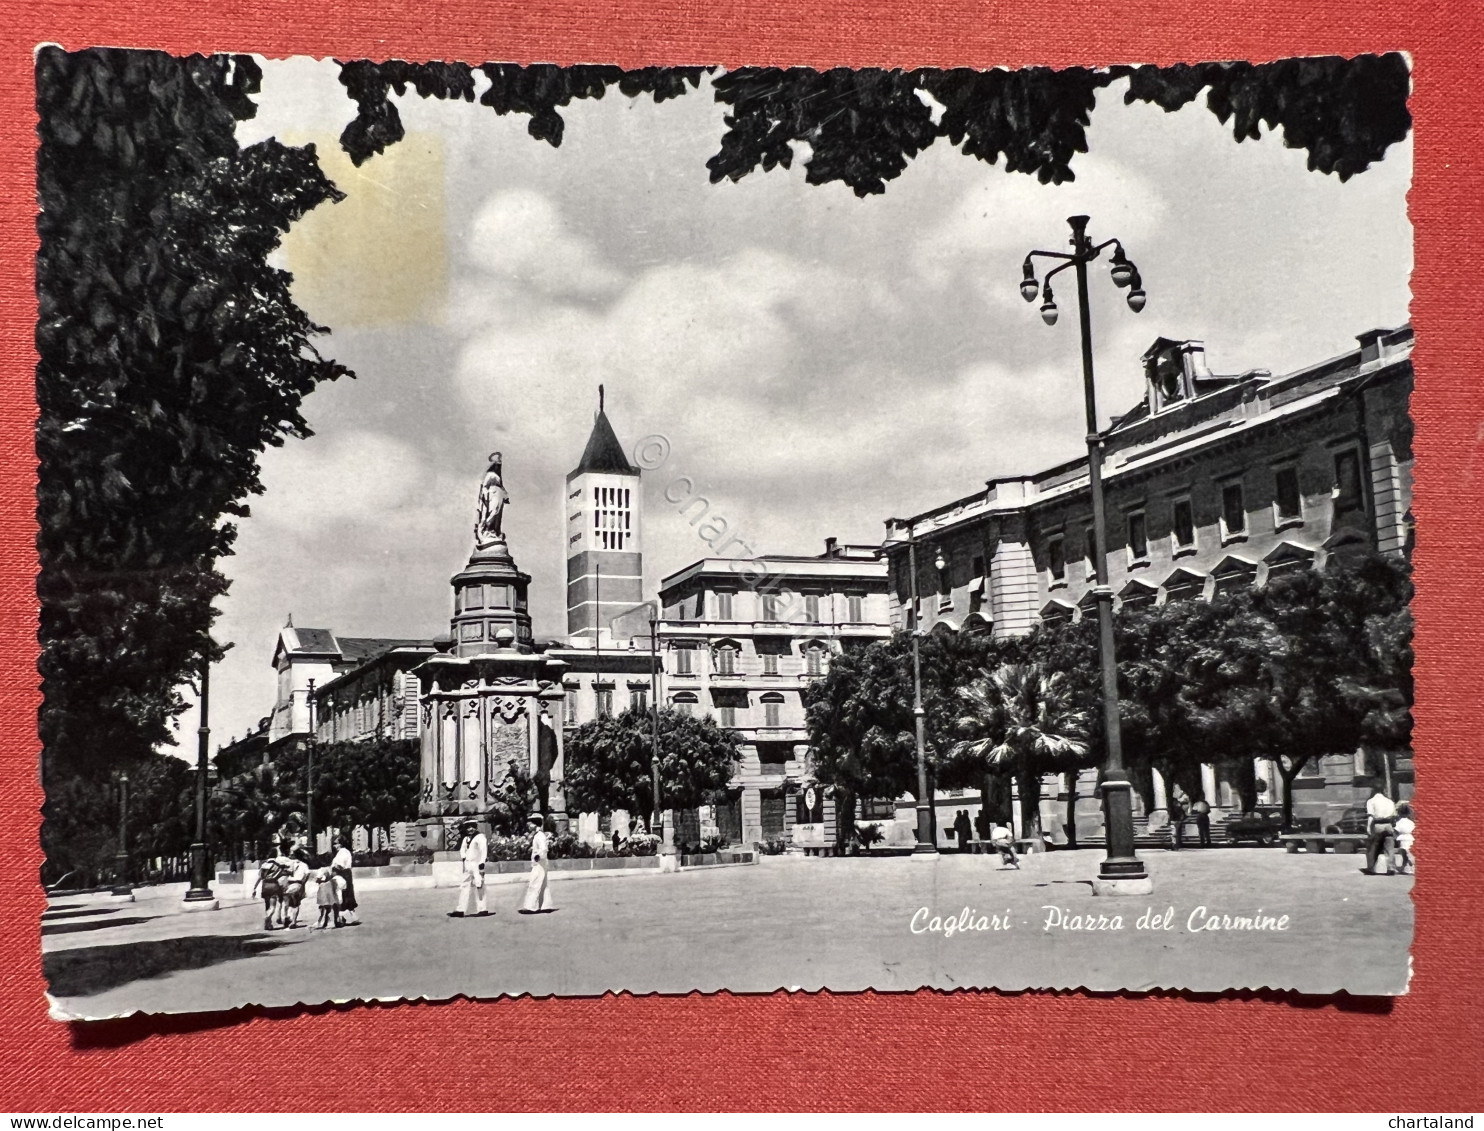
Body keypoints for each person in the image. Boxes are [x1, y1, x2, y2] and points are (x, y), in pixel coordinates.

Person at [450, 819, 490, 918]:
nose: (470, 829)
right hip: (468, 864)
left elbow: (483, 851)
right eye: (468, 827)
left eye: (472, 827)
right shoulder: (466, 838)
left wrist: (481, 864)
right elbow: (462, 849)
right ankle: (461, 909)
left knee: (479, 885)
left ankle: (482, 909)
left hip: (477, 864)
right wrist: (464, 857)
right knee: (464, 885)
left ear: (476, 827)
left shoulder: (480, 837)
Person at [519, 813, 554, 913]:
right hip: (540, 863)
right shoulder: (538, 835)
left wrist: (538, 856)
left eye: (531, 823)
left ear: (536, 823)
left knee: (534, 883)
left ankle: (531, 907)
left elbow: (544, 849)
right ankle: (546, 905)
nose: (529, 825)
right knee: (542, 884)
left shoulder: (540, 836)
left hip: (539, 863)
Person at [1365, 787, 1399, 874]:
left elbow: (1371, 816)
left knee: (1373, 847)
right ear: (1383, 791)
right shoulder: (1389, 801)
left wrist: (1368, 828)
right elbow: (1394, 815)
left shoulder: (1371, 801)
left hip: (1377, 825)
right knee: (1389, 848)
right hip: (1388, 825)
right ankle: (1391, 867)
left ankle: (1371, 868)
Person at [252, 850, 288, 930]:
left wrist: (254, 888)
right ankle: (267, 918)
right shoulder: (278, 865)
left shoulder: (263, 865)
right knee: (272, 907)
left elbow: (259, 877)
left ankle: (268, 924)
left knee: (267, 906)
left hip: (264, 885)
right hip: (273, 885)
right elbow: (283, 876)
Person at [330, 834, 360, 924]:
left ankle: (343, 917)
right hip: (345, 875)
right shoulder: (343, 852)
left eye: (336, 843)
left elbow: (340, 865)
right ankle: (350, 917)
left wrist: (334, 867)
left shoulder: (343, 852)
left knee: (343, 895)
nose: (334, 846)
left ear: (341, 843)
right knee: (346, 895)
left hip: (342, 875)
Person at [283, 845, 311, 928]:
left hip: (289, 884)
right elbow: (307, 874)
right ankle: (294, 921)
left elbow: (286, 872)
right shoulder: (304, 865)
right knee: (296, 904)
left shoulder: (289, 863)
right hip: (298, 884)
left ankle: (286, 917)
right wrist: (303, 883)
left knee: (287, 903)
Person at [1394, 803, 1416, 873]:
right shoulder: (1411, 822)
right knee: (1408, 853)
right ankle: (1406, 867)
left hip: (1402, 838)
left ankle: (1410, 865)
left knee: (1405, 855)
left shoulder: (1399, 822)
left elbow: (1396, 831)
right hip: (1410, 838)